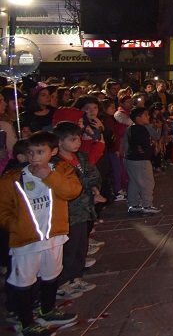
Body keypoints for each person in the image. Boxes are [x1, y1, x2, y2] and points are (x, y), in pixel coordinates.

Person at [0, 131, 81, 335]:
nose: (34, 157)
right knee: (24, 282)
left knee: (50, 275)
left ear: (53, 151)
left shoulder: (61, 170)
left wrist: (48, 176)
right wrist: (15, 226)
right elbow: (3, 208)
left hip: (53, 235)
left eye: (40, 151)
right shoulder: (13, 178)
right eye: (30, 152)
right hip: (27, 240)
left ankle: (47, 310)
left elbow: (71, 191)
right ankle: (26, 322)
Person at [51, 122, 103, 301]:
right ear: (59, 141)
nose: (77, 143)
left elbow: (91, 174)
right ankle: (63, 283)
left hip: (85, 208)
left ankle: (76, 277)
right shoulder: (55, 163)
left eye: (79, 138)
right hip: (69, 212)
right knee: (69, 249)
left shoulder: (80, 157)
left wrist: (95, 189)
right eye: (72, 139)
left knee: (82, 245)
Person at [123, 107, 161, 214]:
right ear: (138, 118)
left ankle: (133, 204)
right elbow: (144, 146)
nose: (148, 117)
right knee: (148, 183)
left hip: (130, 159)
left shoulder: (129, 129)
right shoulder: (141, 129)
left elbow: (125, 145)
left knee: (134, 183)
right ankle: (147, 205)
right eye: (145, 115)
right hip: (140, 160)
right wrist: (147, 152)